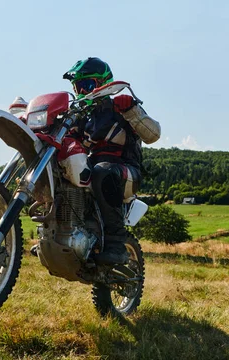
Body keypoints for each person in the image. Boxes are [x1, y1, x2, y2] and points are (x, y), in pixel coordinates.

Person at [63, 57, 161, 265]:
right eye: (77, 87)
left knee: (102, 171)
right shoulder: (84, 117)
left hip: (125, 171)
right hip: (94, 167)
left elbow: (153, 134)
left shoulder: (120, 107)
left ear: (102, 84)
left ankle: (116, 244)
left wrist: (132, 112)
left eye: (86, 85)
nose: (82, 93)